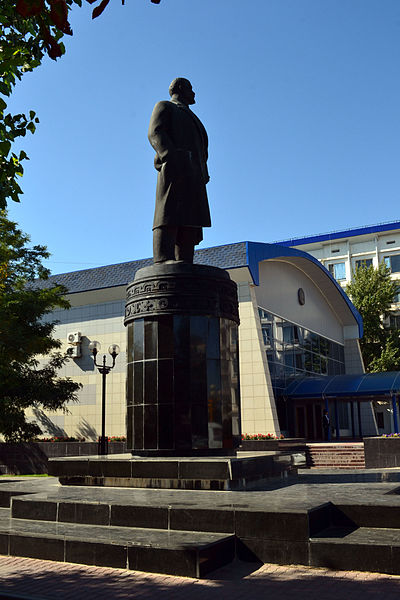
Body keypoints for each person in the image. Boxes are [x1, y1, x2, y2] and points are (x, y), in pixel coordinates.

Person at [148, 78, 211, 263]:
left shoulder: (193, 117)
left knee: (190, 217)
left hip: (194, 173)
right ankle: (163, 258)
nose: (194, 93)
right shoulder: (165, 106)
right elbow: (155, 131)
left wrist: (202, 169)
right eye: (191, 89)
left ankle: (185, 259)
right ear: (181, 89)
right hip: (175, 169)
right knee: (169, 213)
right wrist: (170, 156)